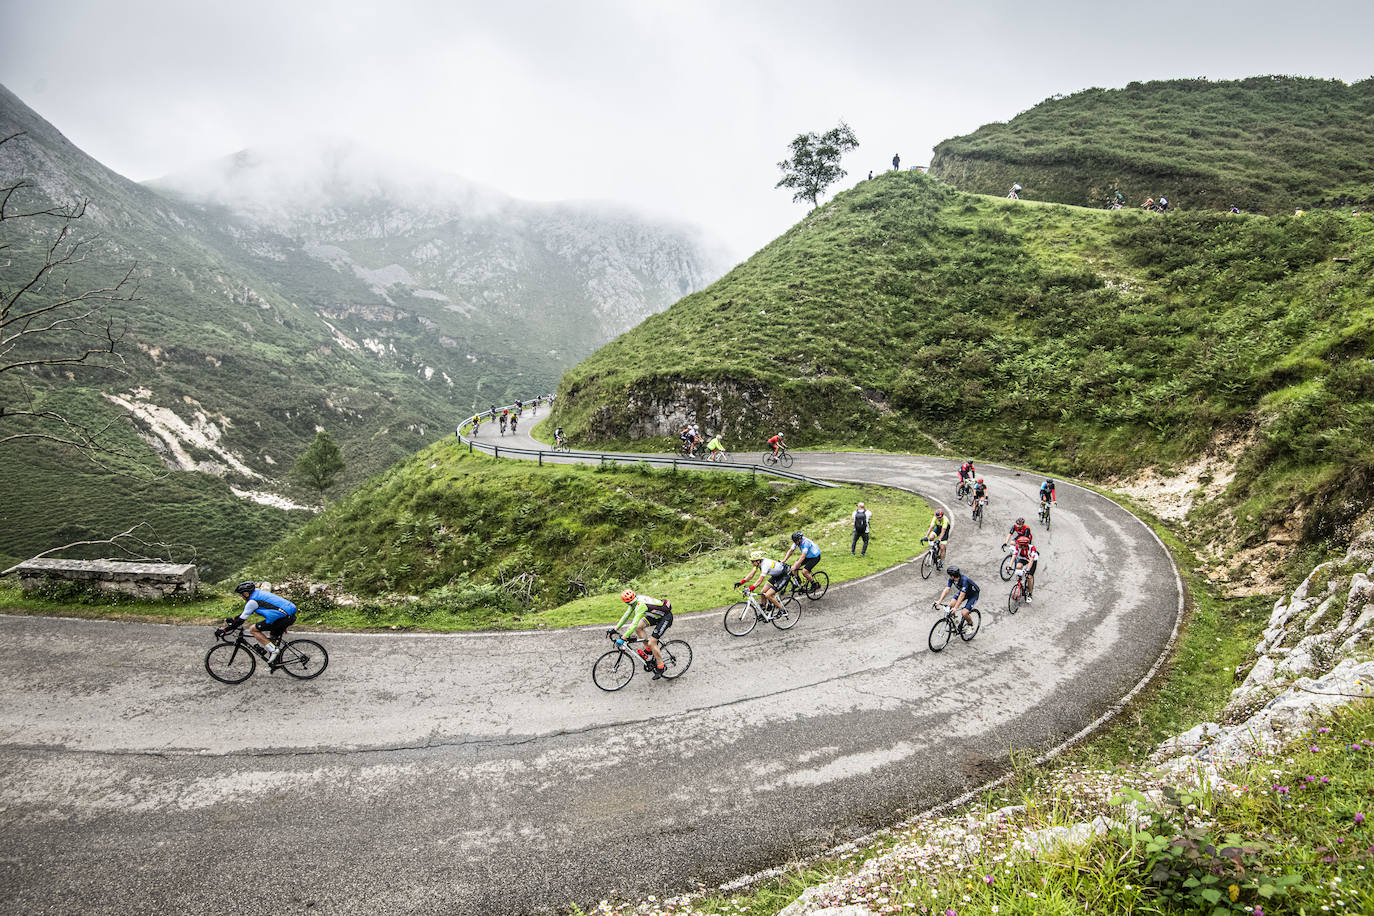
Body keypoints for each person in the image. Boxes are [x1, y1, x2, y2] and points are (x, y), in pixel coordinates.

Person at [221, 581, 298, 663]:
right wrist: (233, 619)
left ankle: (274, 650)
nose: (241, 596)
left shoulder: (252, 602)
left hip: (282, 618)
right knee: (272, 639)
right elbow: (244, 614)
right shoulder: (258, 594)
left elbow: (241, 620)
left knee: (253, 629)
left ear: (246, 593)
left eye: (241, 594)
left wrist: (224, 630)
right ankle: (276, 663)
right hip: (287, 616)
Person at [611, 589, 672, 679]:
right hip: (655, 616)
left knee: (652, 642)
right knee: (638, 628)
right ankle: (649, 649)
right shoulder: (635, 601)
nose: (630, 604)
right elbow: (626, 616)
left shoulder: (640, 605)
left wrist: (623, 637)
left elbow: (634, 623)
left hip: (665, 618)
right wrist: (615, 629)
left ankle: (661, 666)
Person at [738, 549, 789, 616]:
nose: (752, 563)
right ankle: (764, 612)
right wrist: (741, 582)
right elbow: (751, 575)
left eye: (753, 562)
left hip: (783, 576)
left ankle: (782, 610)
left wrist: (751, 588)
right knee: (763, 592)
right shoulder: (758, 564)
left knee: (768, 595)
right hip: (775, 576)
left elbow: (760, 581)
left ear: (758, 561)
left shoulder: (765, 565)